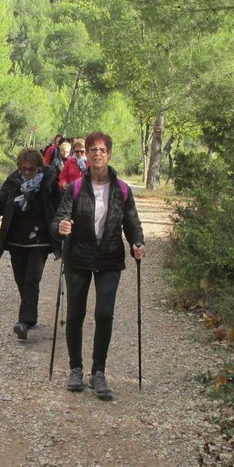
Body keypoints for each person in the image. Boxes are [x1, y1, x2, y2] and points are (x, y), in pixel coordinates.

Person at [52, 131, 145, 400]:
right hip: (79, 257)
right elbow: (59, 217)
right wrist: (61, 225)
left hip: (109, 258)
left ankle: (99, 373)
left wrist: (137, 243)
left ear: (109, 154)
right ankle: (76, 369)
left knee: (104, 314)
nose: (96, 153)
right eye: (92, 149)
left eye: (102, 149)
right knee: (76, 313)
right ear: (87, 154)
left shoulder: (122, 189)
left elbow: (132, 223)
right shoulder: (76, 187)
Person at [0, 148, 62, 341]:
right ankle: (30, 317)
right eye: (22, 168)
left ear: (39, 168)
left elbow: (60, 207)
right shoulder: (13, 180)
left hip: (39, 240)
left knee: (31, 279)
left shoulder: (49, 182)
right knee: (21, 279)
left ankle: (24, 321)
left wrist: (62, 225)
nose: (26, 173)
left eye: (30, 169)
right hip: (16, 239)